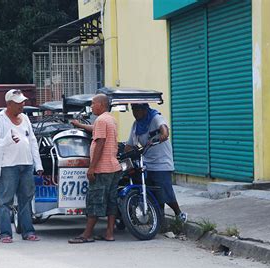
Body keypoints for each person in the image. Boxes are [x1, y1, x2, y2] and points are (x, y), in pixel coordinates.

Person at [0, 89, 44, 243]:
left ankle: (28, 231)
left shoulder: (25, 118)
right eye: (19, 103)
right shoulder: (0, 119)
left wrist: (37, 164)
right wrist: (8, 139)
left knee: (26, 199)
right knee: (5, 201)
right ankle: (5, 233)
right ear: (9, 104)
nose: (22, 105)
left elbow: (32, 141)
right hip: (8, 166)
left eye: (23, 102)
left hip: (26, 164)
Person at [68, 94, 122, 243]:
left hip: (102, 168)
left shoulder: (101, 120)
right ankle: (109, 233)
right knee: (111, 202)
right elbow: (95, 129)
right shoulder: (110, 119)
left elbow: (100, 143)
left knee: (95, 201)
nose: (91, 106)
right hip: (113, 167)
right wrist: (80, 125)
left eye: (93, 103)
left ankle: (86, 235)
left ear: (101, 105)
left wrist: (92, 168)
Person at [125, 103, 187, 223]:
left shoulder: (155, 117)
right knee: (151, 192)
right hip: (147, 161)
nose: (134, 112)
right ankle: (159, 220)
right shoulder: (136, 125)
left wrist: (163, 135)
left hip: (162, 161)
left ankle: (178, 214)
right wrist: (127, 151)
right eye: (133, 109)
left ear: (144, 110)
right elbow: (129, 144)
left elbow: (164, 129)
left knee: (164, 190)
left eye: (137, 109)